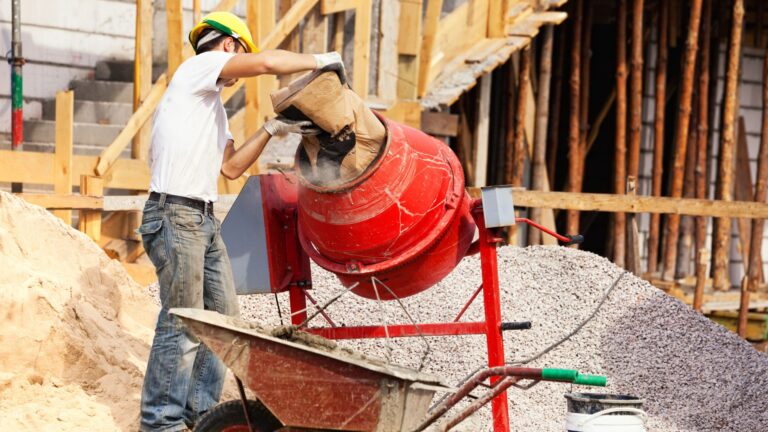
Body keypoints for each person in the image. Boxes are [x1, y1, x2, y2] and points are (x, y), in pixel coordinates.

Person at [137, 11, 342, 431]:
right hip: (176, 214)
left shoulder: (210, 108)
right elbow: (268, 64)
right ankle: (160, 423)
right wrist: (323, 58)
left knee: (223, 324)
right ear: (229, 45)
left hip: (202, 219)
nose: (238, 72)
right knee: (183, 319)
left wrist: (271, 128)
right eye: (240, 55)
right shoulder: (199, 67)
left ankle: (200, 416)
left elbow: (230, 168)